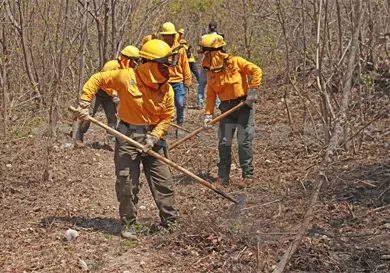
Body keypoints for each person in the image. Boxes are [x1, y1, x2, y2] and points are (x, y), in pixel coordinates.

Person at [72, 39, 178, 239]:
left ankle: (170, 222)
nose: (167, 71)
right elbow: (97, 79)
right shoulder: (125, 76)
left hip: (154, 139)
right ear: (148, 64)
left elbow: (167, 117)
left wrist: (154, 136)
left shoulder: (167, 89)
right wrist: (85, 103)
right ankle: (129, 224)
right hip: (127, 136)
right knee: (127, 182)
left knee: (163, 181)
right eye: (162, 66)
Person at [200, 33, 262, 188]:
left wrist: (253, 90)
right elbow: (210, 95)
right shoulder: (210, 72)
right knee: (224, 142)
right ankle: (223, 178)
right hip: (226, 109)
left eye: (207, 53)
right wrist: (208, 114)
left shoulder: (236, 62)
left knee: (244, 141)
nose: (205, 56)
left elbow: (256, 70)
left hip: (243, 106)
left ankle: (248, 176)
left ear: (217, 51)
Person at [74, 46, 140, 148]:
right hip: (99, 92)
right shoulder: (111, 65)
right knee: (88, 115)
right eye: (133, 61)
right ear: (126, 59)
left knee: (112, 118)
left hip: (110, 97)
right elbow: (102, 82)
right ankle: (79, 138)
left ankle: (111, 141)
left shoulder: (128, 71)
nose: (134, 64)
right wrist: (113, 93)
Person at [160, 22, 192, 128]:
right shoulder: (160, 48)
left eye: (169, 35)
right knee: (163, 105)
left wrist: (187, 81)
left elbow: (185, 65)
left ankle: (180, 123)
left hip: (178, 81)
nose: (167, 38)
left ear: (173, 35)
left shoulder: (180, 49)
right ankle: (165, 124)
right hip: (164, 81)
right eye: (165, 36)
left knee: (180, 103)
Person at [196, 21, 223, 110]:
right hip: (217, 64)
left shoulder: (204, 37)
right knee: (218, 84)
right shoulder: (220, 37)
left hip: (206, 64)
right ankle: (218, 104)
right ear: (216, 27)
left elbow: (200, 51)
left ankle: (200, 102)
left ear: (208, 27)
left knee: (202, 83)